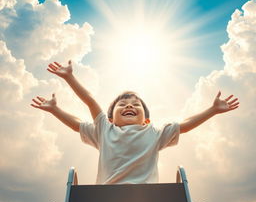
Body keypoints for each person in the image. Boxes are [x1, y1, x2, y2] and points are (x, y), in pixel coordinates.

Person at [31, 60, 239, 184]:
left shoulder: (154, 133)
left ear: (146, 120)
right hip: (108, 200)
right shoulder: (105, 129)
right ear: (111, 118)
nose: (129, 106)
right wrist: (61, 97)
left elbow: (184, 124)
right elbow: (86, 107)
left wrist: (212, 110)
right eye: (122, 104)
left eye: (135, 105)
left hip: (145, 200)